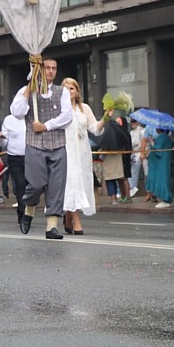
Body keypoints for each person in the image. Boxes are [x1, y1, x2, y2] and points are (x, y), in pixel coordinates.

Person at [11, 57, 72, 239]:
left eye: (54, 68)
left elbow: (67, 116)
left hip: (57, 144)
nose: (51, 71)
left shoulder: (62, 92)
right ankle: (29, 207)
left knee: (56, 186)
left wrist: (46, 126)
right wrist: (28, 92)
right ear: (40, 70)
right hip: (35, 144)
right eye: (47, 68)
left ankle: (51, 227)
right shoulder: (27, 91)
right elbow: (16, 111)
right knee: (36, 184)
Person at [61, 78, 111, 235]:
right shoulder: (59, 110)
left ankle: (68, 217)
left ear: (77, 92)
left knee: (79, 183)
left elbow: (95, 129)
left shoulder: (85, 109)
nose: (69, 92)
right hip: (66, 151)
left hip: (82, 151)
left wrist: (105, 118)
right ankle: (76, 220)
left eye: (72, 89)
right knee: (71, 183)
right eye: (65, 89)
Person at [0, 113, 26, 224]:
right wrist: (0, 137)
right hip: (14, 157)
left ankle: (28, 209)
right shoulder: (8, 120)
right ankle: (22, 212)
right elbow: (4, 142)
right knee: (20, 184)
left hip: (31, 156)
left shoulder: (32, 116)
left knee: (32, 185)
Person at [146, 128, 174, 208]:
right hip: (164, 162)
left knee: (162, 180)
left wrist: (151, 141)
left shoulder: (162, 137)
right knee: (163, 180)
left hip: (161, 163)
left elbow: (157, 149)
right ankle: (164, 199)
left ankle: (165, 199)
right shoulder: (166, 138)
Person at [128, 118, 145, 198]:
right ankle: (132, 188)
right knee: (133, 172)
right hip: (133, 153)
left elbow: (141, 143)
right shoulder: (131, 132)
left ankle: (133, 188)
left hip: (139, 153)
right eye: (131, 122)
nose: (132, 123)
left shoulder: (141, 131)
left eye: (134, 121)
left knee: (135, 171)